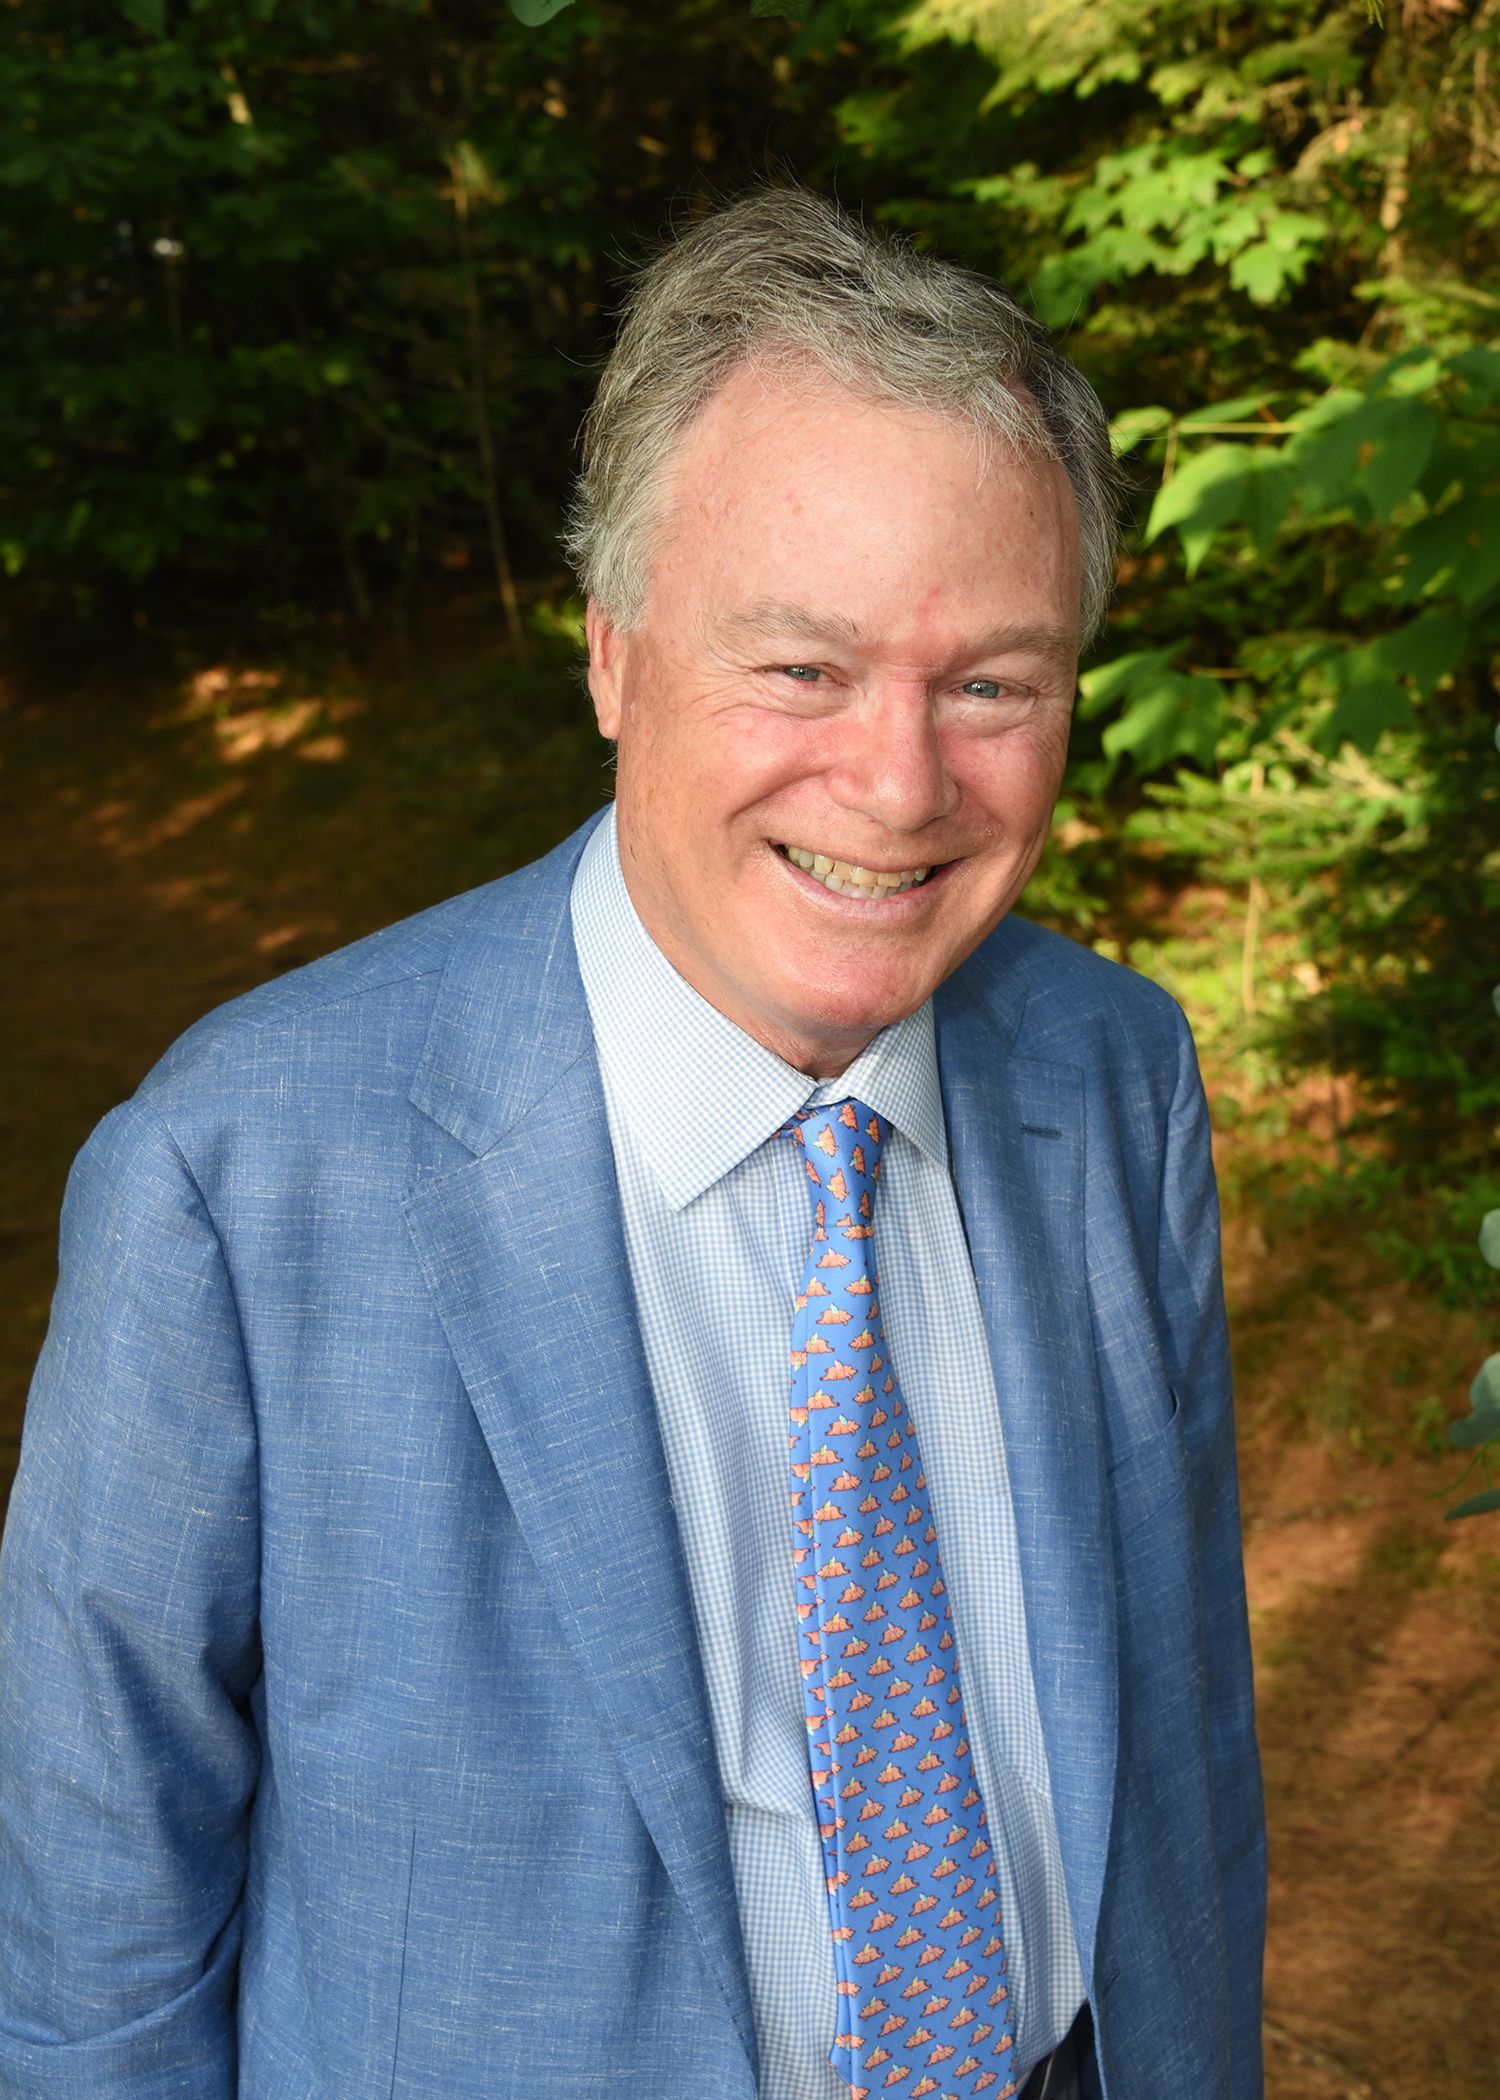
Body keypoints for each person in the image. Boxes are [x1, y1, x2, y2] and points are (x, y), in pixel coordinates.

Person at [0, 185, 1265, 2100]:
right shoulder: (242, 1172)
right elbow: (94, 1940)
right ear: (613, 658)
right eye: (799, 666)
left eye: (992, 682)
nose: (902, 781)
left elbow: (1178, 1753)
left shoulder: (1111, 1076)